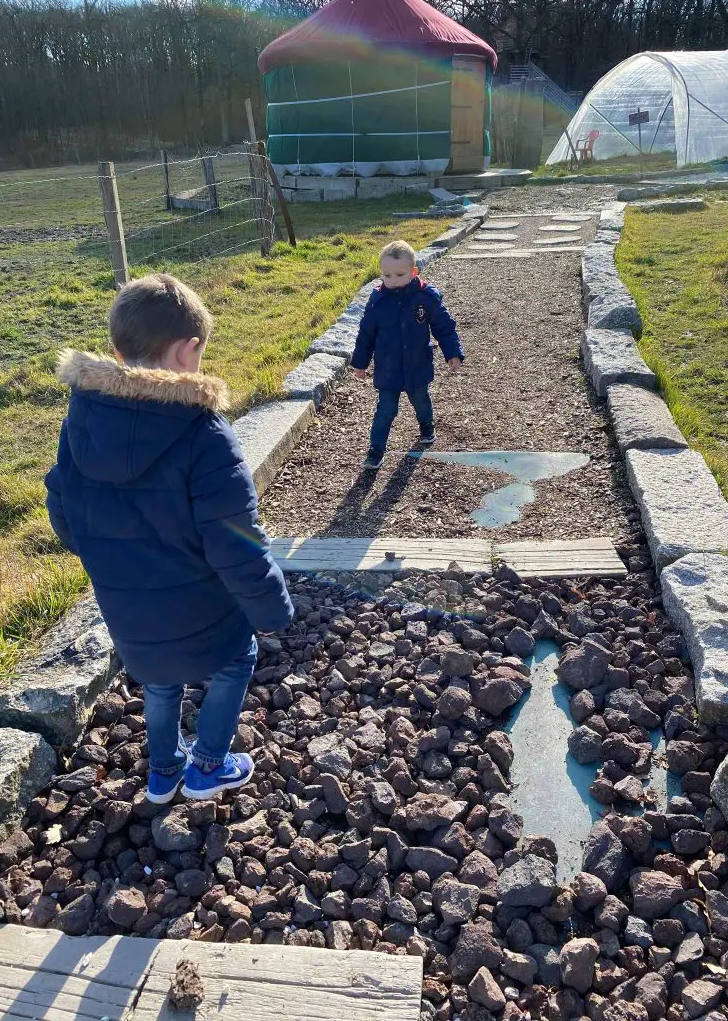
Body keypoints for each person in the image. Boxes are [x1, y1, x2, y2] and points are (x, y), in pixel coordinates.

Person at [45, 274, 293, 804]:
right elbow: (236, 540)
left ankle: (163, 771)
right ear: (188, 350)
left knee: (158, 681)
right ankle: (208, 765)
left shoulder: (82, 420)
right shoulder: (203, 434)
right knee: (237, 660)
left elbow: (64, 510)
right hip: (203, 605)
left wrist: (101, 552)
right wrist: (271, 609)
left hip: (127, 609)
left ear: (118, 349)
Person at [350, 239, 464, 470]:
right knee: (386, 409)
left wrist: (453, 352)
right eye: (386, 275)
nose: (392, 281)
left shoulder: (425, 298)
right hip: (388, 368)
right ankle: (376, 449)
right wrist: (360, 363)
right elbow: (366, 335)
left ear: (414, 272)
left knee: (420, 399)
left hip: (416, 363)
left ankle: (426, 426)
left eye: (399, 275)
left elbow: (444, 326)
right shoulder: (378, 302)